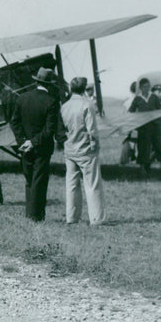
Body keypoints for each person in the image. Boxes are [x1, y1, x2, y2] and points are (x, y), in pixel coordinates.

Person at [9, 68, 63, 221]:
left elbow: (15, 122)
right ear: (50, 84)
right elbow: (49, 129)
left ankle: (29, 212)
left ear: (36, 81)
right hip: (42, 147)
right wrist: (33, 142)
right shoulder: (52, 102)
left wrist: (23, 141)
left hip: (24, 146)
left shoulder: (22, 98)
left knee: (29, 179)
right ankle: (35, 215)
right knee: (39, 180)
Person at [60, 77, 105, 225]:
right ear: (84, 89)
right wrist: (95, 146)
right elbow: (92, 130)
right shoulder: (87, 105)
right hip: (86, 150)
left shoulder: (64, 106)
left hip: (70, 149)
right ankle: (96, 219)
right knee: (92, 184)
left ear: (71, 89)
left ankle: (71, 217)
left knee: (72, 184)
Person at [129, 77, 161, 177]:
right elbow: (130, 112)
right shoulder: (137, 99)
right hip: (144, 128)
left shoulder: (154, 98)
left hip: (156, 128)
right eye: (145, 86)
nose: (147, 88)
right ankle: (143, 170)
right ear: (141, 87)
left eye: (148, 86)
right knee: (143, 148)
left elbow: (160, 110)